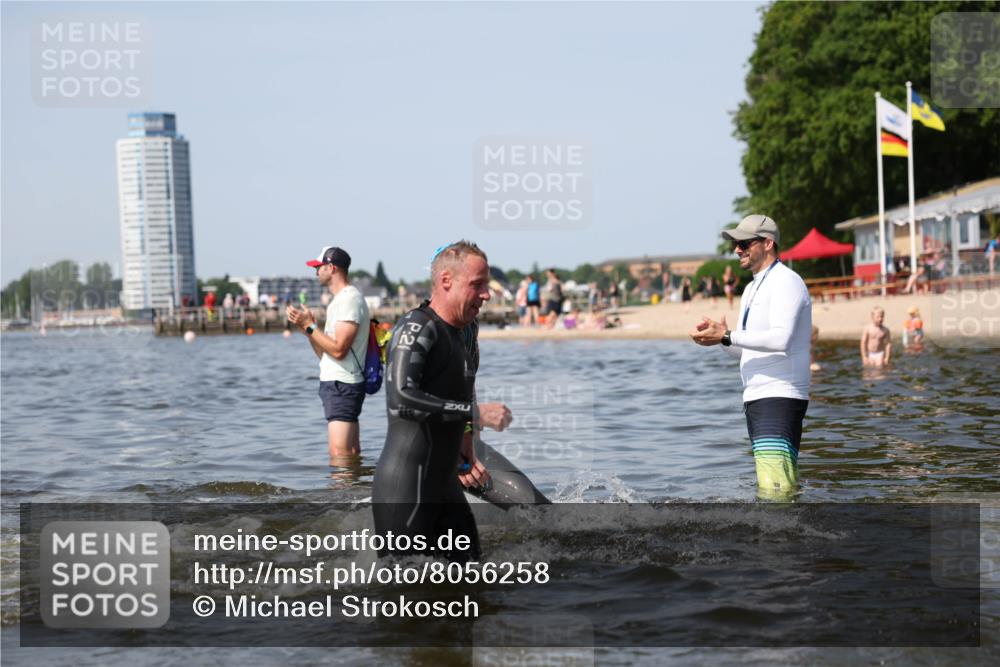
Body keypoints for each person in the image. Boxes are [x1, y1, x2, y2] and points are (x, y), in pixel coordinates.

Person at [372, 241, 513, 563]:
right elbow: (402, 400)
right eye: (477, 285)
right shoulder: (417, 327)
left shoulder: (465, 330)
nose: (487, 295)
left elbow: (461, 385)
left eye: (487, 285)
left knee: (474, 584)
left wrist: (466, 434)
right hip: (406, 489)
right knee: (404, 596)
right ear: (446, 281)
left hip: (445, 485)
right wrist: (475, 414)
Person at [690, 215, 812, 500]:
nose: (736, 250)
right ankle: (785, 539)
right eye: (736, 244)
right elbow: (747, 348)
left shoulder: (786, 282)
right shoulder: (750, 288)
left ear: (768, 243)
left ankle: (779, 542)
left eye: (744, 243)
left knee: (775, 486)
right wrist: (719, 339)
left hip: (780, 393)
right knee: (775, 482)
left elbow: (780, 339)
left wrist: (729, 334)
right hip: (757, 394)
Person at [286, 246, 370, 462]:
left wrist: (311, 328)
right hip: (338, 383)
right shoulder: (339, 301)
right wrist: (308, 329)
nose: (316, 272)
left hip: (343, 384)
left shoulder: (348, 299)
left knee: (339, 454)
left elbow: (339, 350)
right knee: (347, 453)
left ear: (331, 268)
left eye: (319, 267)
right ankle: (353, 492)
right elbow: (326, 355)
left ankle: (344, 495)